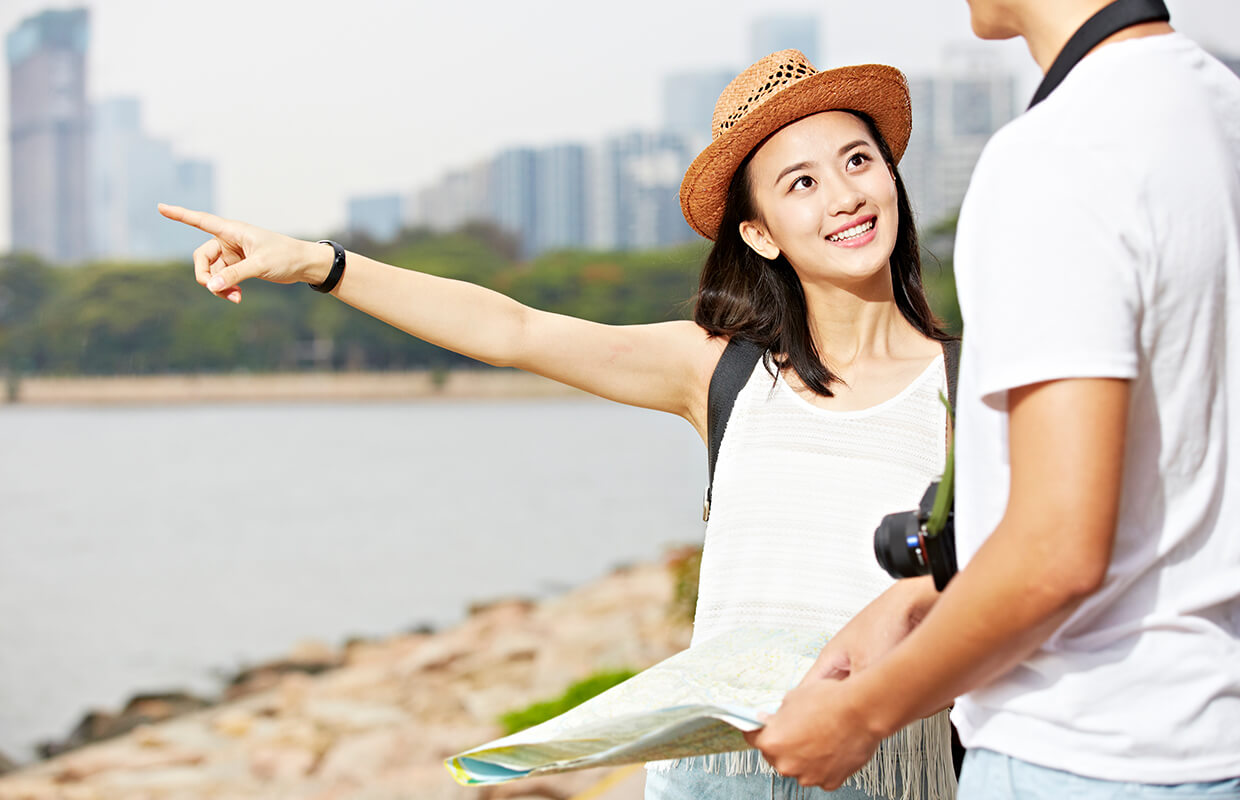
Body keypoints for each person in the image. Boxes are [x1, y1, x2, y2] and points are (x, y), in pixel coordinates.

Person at [161, 49, 959, 799]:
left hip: (891, 772)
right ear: (759, 234)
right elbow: (515, 330)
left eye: (858, 162)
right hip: (718, 779)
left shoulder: (976, 384)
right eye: (801, 184)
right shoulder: (723, 372)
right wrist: (316, 264)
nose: (845, 196)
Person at [746, 1, 1240, 798]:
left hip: (1080, 753)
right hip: (1217, 740)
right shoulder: (1221, 108)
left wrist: (860, 716)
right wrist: (922, 597)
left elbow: (1056, 552)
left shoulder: (1057, 151)